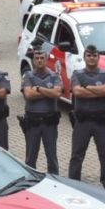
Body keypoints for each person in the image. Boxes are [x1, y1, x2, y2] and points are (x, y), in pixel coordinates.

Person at [68, 43, 105, 193]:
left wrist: (87, 88)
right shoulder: (77, 74)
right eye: (89, 55)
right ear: (84, 57)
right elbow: (77, 92)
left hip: (101, 122)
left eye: (94, 55)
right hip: (82, 121)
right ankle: (73, 184)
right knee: (77, 155)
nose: (91, 58)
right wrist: (98, 91)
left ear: (98, 57)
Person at [20, 43, 62, 174]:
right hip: (33, 123)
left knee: (52, 157)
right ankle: (31, 182)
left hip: (49, 123)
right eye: (36, 58)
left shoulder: (55, 76)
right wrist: (47, 92)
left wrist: (38, 88)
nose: (39, 60)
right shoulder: (28, 76)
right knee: (30, 157)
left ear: (46, 58)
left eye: (41, 58)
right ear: (33, 60)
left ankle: (55, 183)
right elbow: (28, 94)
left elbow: (56, 94)